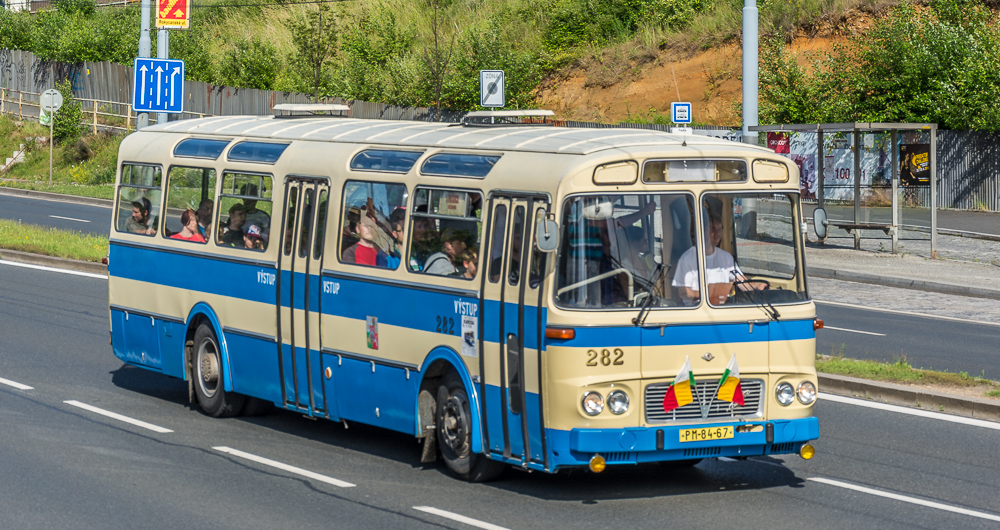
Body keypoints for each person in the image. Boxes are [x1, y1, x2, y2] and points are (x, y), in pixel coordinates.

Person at [672, 213, 758, 305]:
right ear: (703, 230)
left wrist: (757, 286)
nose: (717, 233)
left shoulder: (726, 257)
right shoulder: (687, 258)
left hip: (721, 308)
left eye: (720, 229)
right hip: (697, 309)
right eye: (713, 229)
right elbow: (683, 293)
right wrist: (707, 295)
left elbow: (742, 282)